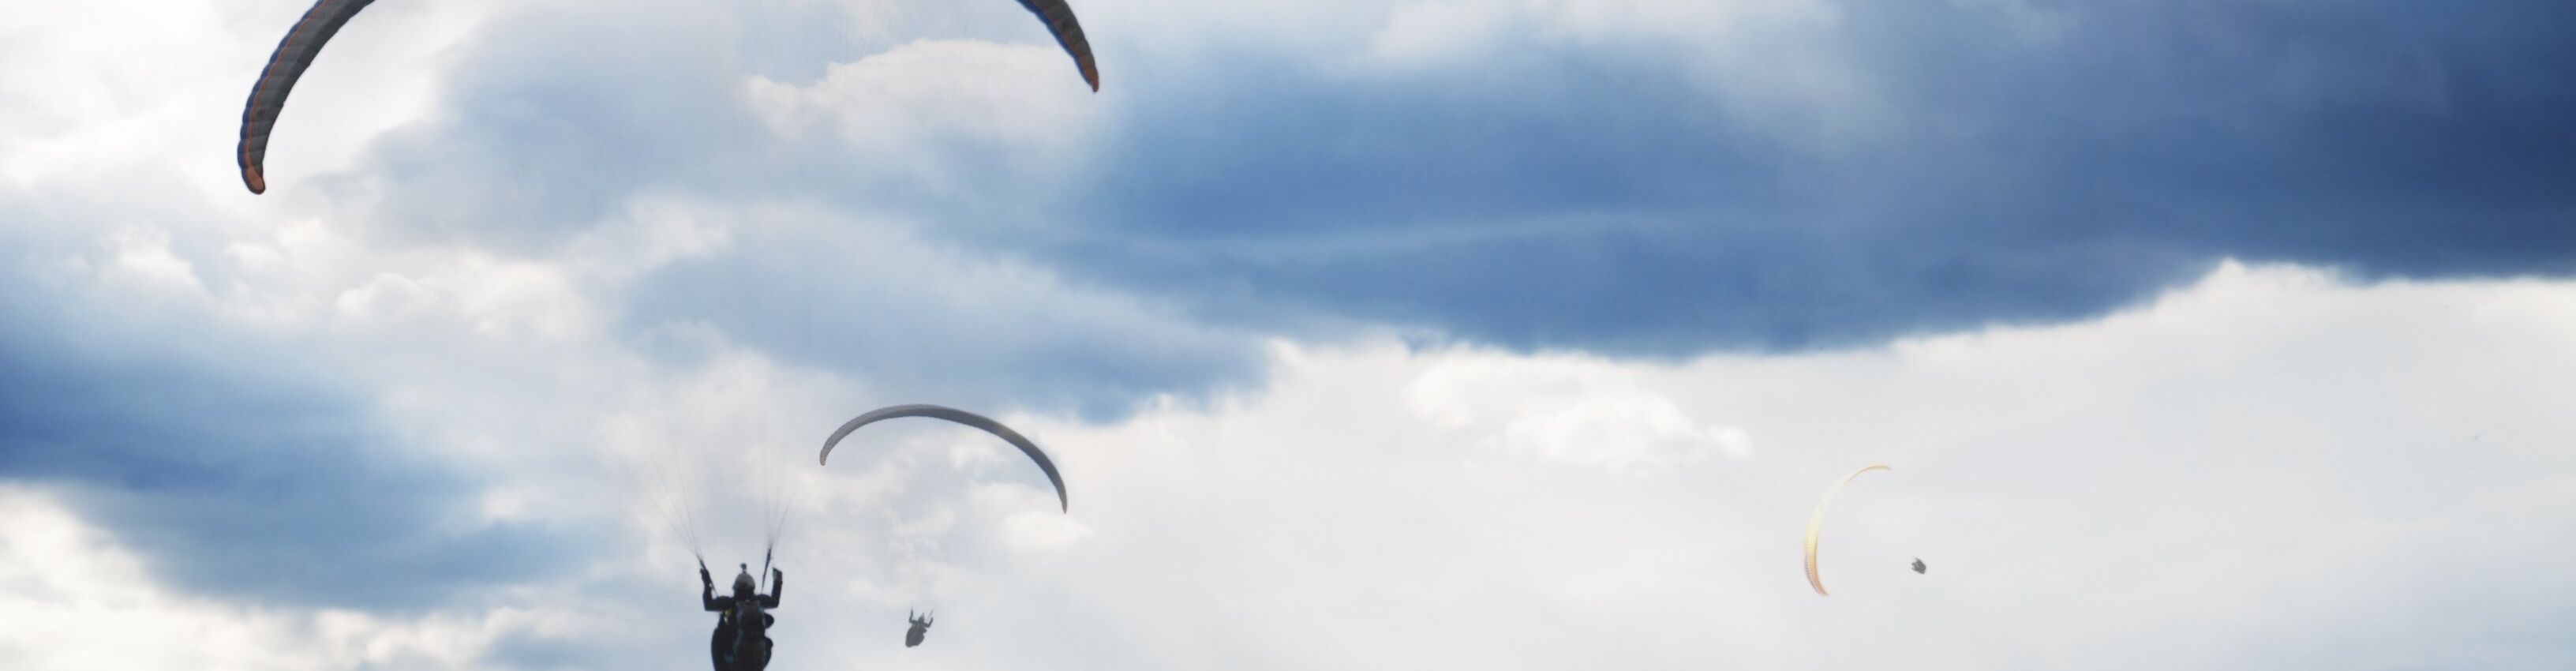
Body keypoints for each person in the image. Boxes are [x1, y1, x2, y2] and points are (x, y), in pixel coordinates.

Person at [702, 563, 782, 671]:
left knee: (718, 633)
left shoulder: (730, 603)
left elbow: (708, 605)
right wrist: (778, 579)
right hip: (756, 659)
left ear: (737, 588)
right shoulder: (759, 601)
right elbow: (775, 602)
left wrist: (707, 584)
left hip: (733, 659)